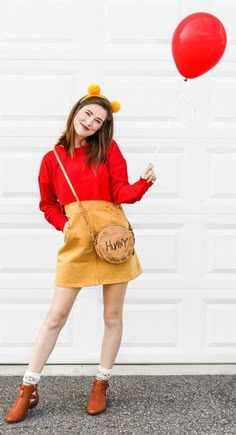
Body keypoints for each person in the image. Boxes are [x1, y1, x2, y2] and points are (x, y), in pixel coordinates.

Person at [5, 84, 156, 424]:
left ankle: (101, 383)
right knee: (55, 317)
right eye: (87, 114)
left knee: (112, 316)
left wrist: (143, 184)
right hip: (78, 243)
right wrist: (65, 224)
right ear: (76, 111)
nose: (90, 122)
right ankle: (28, 388)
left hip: (111, 239)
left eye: (98, 121)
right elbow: (46, 203)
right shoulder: (52, 159)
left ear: (104, 127)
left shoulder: (108, 150)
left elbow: (120, 192)